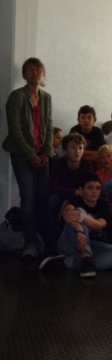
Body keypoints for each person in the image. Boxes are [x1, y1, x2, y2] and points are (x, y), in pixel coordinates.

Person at [2, 57, 53, 261]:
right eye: (30, 70)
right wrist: (31, 155)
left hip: (42, 155)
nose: (35, 73)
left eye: (38, 70)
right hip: (21, 153)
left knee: (43, 196)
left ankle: (45, 239)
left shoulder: (46, 97)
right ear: (24, 74)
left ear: (43, 74)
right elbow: (15, 130)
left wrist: (46, 152)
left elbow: (49, 126)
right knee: (28, 196)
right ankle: (29, 242)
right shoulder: (16, 97)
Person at [56, 173, 112, 277]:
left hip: (90, 243)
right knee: (79, 211)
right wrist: (79, 229)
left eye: (97, 188)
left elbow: (100, 225)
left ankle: (69, 262)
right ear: (81, 190)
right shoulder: (75, 200)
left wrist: (83, 217)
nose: (94, 191)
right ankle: (85, 257)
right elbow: (67, 214)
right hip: (70, 242)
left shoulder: (103, 205)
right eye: (90, 188)